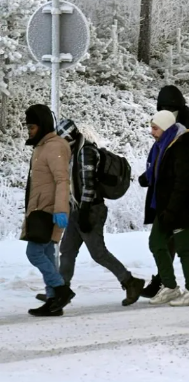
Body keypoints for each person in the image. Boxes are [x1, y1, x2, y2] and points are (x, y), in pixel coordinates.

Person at [55, 119, 145, 306]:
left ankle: (130, 282)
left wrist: (86, 212)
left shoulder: (86, 152)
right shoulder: (73, 152)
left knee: (98, 253)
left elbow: (89, 184)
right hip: (78, 209)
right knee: (67, 250)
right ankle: (61, 290)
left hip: (91, 209)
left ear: (69, 137)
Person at [141, 85, 189, 298]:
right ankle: (166, 282)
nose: (167, 110)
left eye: (170, 107)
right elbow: (161, 158)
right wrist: (150, 176)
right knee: (169, 240)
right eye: (163, 107)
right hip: (170, 193)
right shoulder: (165, 125)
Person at [22, 104, 74, 316]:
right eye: (28, 127)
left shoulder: (54, 146)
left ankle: (61, 289)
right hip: (40, 209)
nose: (29, 130)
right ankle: (54, 301)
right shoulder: (42, 146)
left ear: (42, 125)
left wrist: (60, 210)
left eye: (32, 126)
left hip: (50, 211)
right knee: (46, 253)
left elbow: (62, 180)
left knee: (34, 253)